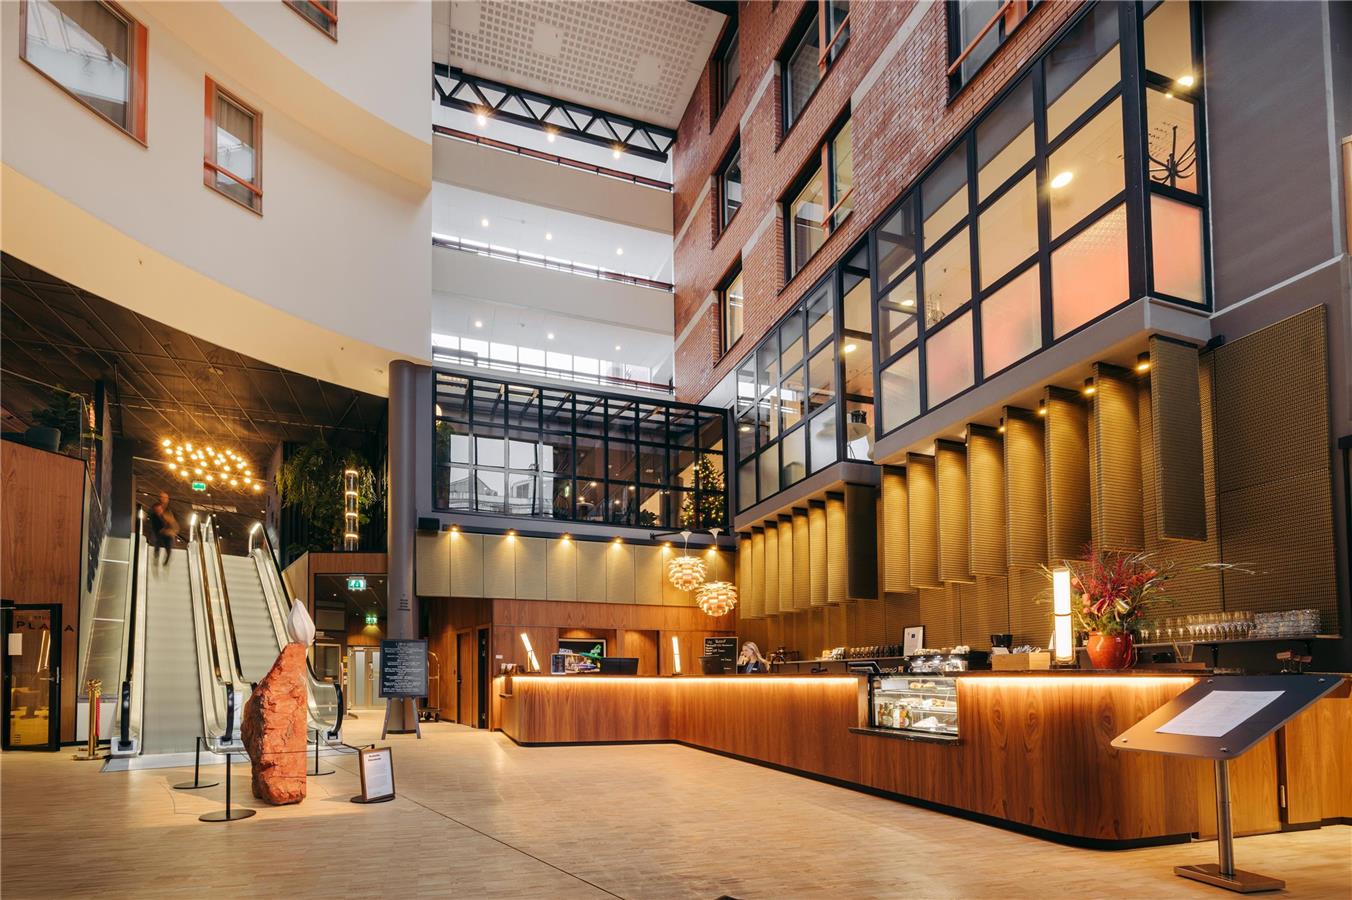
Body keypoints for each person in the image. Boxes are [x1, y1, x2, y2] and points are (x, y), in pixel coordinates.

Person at [147, 491, 179, 568]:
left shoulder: (169, 510)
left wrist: (171, 531)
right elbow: (152, 519)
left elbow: (172, 523)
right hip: (158, 532)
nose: (164, 499)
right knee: (157, 541)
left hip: (166, 533)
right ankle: (156, 558)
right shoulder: (155, 508)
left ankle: (166, 558)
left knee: (168, 543)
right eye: (162, 497)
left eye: (165, 498)